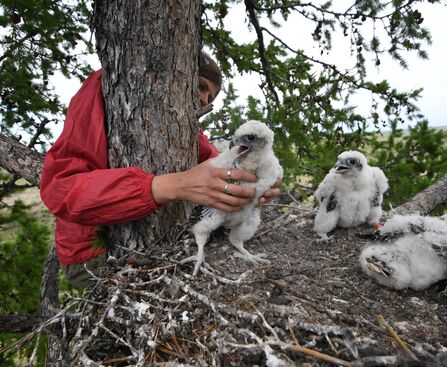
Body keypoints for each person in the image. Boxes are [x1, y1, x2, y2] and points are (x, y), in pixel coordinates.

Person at [40, 52, 280, 288]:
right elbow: (60, 189)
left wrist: (243, 186)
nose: (205, 100)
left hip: (163, 246)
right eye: (200, 85)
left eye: (211, 97)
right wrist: (173, 185)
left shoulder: (184, 127)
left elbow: (215, 162)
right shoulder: (108, 86)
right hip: (94, 253)